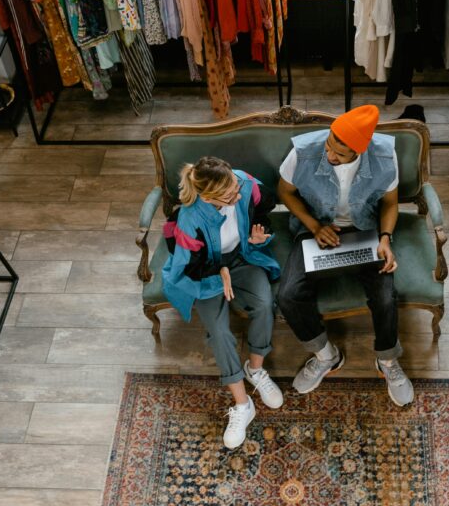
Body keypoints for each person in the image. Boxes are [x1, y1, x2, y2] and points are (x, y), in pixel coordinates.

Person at [275, 105, 414, 406]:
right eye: (329, 146)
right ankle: (326, 355)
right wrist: (313, 226)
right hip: (316, 228)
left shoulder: (384, 156)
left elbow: (390, 203)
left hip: (365, 229)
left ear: (360, 151)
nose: (330, 156)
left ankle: (387, 361)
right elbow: (284, 192)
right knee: (287, 295)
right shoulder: (303, 150)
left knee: (385, 296)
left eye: (339, 154)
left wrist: (385, 239)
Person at [162, 156, 283, 448]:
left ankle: (256, 368)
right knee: (218, 331)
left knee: (265, 304)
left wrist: (257, 234)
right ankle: (242, 404)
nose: (238, 194)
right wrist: (219, 271)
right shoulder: (190, 218)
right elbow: (190, 265)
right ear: (208, 197)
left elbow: (264, 206)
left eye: (235, 186)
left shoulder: (242, 181)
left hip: (242, 257)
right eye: (230, 194)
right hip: (205, 273)